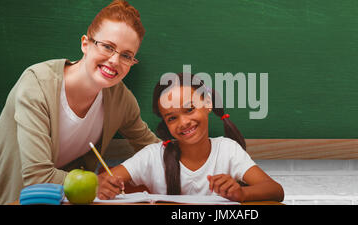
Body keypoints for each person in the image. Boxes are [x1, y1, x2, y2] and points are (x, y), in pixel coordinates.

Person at [0, 0, 160, 204]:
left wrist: (206, 166)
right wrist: (97, 184)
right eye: (107, 46)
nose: (115, 61)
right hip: (8, 199)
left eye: (126, 55)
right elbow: (37, 176)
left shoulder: (121, 99)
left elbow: (153, 149)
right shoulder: (37, 84)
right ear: (85, 44)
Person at [98, 73, 284, 202]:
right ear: (165, 123)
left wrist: (240, 193)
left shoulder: (228, 150)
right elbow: (103, 180)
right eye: (172, 118)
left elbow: (275, 190)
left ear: (208, 104)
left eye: (189, 109)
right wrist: (102, 185)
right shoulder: (153, 155)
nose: (184, 122)